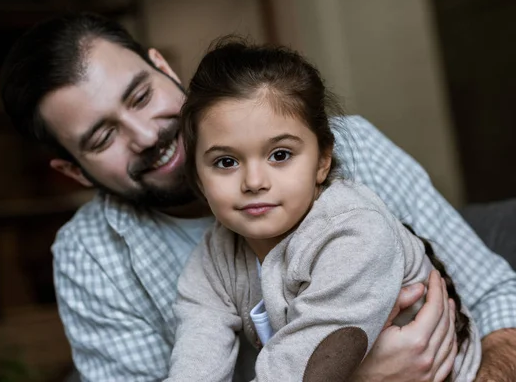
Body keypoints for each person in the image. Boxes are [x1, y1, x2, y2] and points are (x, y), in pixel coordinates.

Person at [0, 12, 516, 381]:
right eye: (102, 137)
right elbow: (202, 336)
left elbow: (498, 297)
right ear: (74, 171)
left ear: (163, 66)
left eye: (140, 95)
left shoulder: (346, 188)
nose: (147, 134)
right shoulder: (98, 256)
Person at [167, 38, 480, 381]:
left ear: (322, 161)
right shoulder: (215, 256)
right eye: (226, 162)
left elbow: (299, 369)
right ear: (198, 178)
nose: (254, 181)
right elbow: (197, 355)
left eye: (280, 155)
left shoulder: (354, 234)